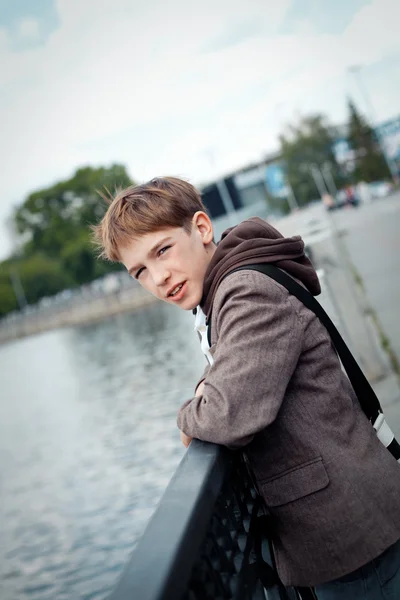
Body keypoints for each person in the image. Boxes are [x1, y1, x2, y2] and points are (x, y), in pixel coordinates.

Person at [93, 176, 400, 599]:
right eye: (140, 271)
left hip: (353, 535)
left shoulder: (246, 291)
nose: (159, 278)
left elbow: (228, 413)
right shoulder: (221, 292)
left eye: (162, 250)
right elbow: (229, 369)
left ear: (201, 229)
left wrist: (186, 415)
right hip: (343, 528)